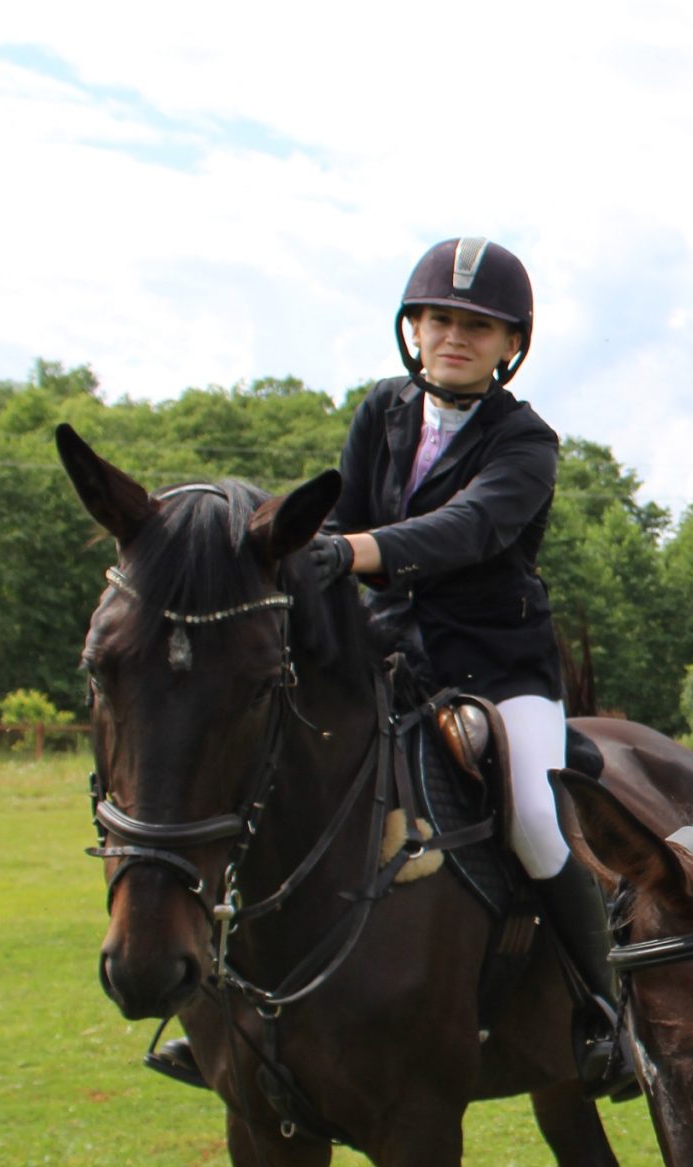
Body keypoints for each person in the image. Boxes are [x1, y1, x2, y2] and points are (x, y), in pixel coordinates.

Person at [150, 236, 625, 1090]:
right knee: (271, 775)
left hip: (498, 667)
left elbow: (471, 529)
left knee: (531, 815)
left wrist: (356, 552)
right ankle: (223, 1004)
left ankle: (603, 1009)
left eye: (478, 326)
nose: (455, 337)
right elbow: (350, 512)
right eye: (440, 318)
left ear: (511, 345)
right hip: (390, 650)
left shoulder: (529, 442)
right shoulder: (383, 411)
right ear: (413, 328)